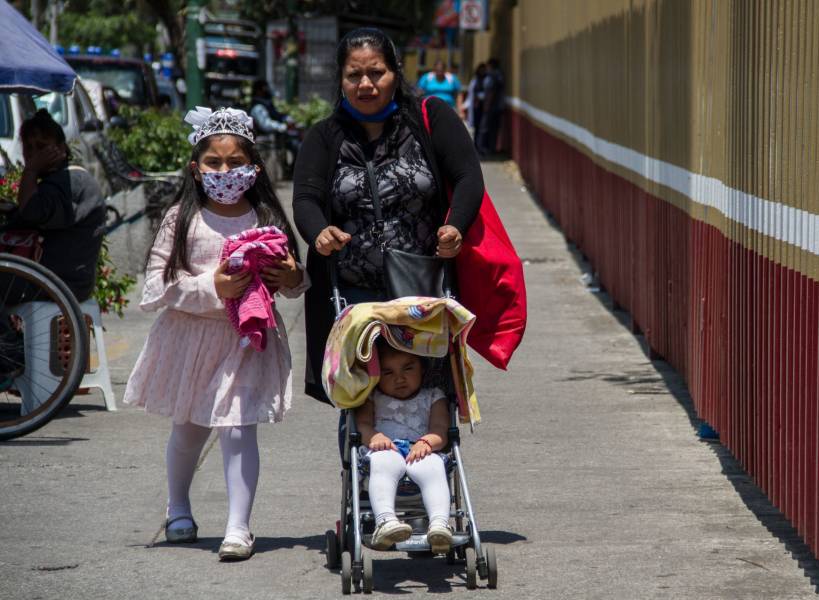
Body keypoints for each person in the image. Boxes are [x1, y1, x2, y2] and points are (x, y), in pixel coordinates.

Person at [124, 106, 309, 561]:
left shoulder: (266, 216)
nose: (225, 171)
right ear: (196, 167)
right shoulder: (180, 219)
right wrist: (214, 287)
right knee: (189, 430)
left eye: (235, 162)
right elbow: (155, 287)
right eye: (214, 162)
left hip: (247, 341)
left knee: (238, 429)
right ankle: (179, 507)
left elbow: (295, 282)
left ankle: (238, 526)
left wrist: (290, 278)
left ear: (254, 168)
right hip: (190, 340)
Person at [292, 27, 484, 403]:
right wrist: (319, 231)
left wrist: (455, 227)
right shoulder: (324, 136)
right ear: (341, 79)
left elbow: (468, 178)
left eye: (376, 72)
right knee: (361, 397)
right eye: (354, 75)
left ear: (396, 72)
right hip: (352, 293)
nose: (366, 84)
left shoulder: (431, 120)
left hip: (422, 287)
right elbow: (305, 200)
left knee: (430, 392)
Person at [355, 338, 453, 552]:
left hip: (420, 449)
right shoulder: (372, 397)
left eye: (408, 368)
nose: (399, 378)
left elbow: (440, 429)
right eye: (388, 373)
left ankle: (439, 524)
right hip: (385, 449)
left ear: (423, 368)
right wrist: (373, 436)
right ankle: (386, 521)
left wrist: (427, 441)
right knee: (383, 463)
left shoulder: (434, 396)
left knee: (434, 467)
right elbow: (361, 425)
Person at [3, 108, 105, 303]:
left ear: (62, 149)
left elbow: (33, 212)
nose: (33, 154)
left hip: (60, 281)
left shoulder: (70, 182)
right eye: (28, 148)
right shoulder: (57, 180)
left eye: (41, 147)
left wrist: (31, 170)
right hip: (50, 276)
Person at [477, 58, 506, 156]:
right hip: (498, 107)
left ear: (491, 66)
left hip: (491, 107)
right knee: (494, 129)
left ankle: (482, 148)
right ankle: (491, 148)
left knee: (484, 127)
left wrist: (486, 105)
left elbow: (491, 92)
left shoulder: (491, 76)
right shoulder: (500, 75)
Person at [465, 63, 487, 139]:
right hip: (476, 107)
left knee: (483, 126)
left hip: (484, 106)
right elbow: (471, 93)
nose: (482, 71)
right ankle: (477, 144)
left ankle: (480, 145)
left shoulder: (486, 80)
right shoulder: (475, 80)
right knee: (476, 126)